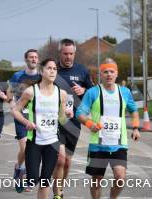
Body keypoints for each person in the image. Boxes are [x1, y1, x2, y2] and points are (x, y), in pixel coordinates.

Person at [76, 58, 141, 199]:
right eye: (105, 72)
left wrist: (136, 128)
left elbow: (134, 110)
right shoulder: (93, 92)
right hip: (98, 146)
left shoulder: (125, 92)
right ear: (101, 74)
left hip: (119, 145)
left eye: (112, 71)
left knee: (120, 177)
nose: (109, 74)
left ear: (117, 74)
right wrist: (89, 124)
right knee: (96, 181)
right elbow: (80, 113)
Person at [12, 58, 73, 198]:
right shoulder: (31, 91)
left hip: (52, 142)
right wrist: (26, 122)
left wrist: (68, 115)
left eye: (54, 69)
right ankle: (22, 174)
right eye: (49, 68)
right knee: (33, 180)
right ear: (41, 71)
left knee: (45, 181)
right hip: (35, 141)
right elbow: (15, 110)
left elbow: (61, 119)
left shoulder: (61, 94)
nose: (52, 71)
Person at [53, 38, 93, 198]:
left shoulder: (82, 70)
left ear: (74, 53)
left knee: (67, 162)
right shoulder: (52, 69)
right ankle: (57, 193)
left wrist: (84, 90)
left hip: (74, 123)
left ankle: (60, 188)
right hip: (55, 122)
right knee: (60, 160)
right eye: (65, 54)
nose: (68, 57)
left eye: (71, 54)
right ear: (60, 53)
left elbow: (92, 92)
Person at [7, 49, 41, 187]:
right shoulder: (18, 76)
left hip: (37, 117)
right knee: (26, 147)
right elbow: (10, 91)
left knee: (30, 149)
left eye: (36, 57)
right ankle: (27, 177)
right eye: (31, 57)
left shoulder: (42, 76)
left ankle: (18, 166)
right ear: (26, 59)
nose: (33, 59)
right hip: (22, 116)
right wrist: (11, 102)